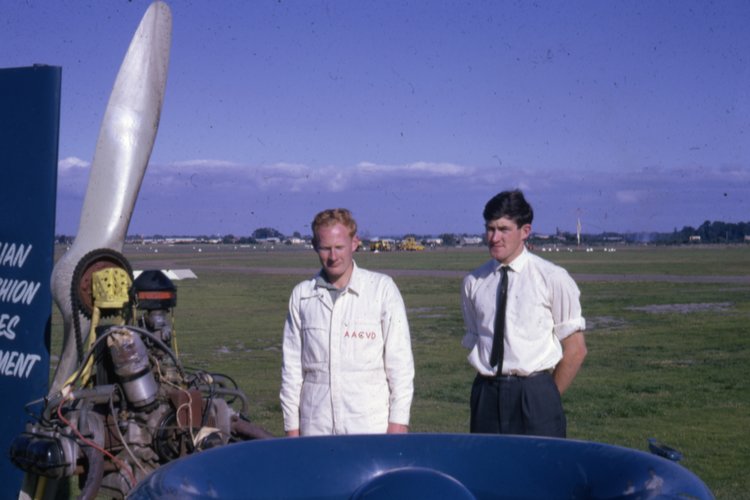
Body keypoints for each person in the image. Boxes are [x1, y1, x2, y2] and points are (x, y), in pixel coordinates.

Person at [461, 190, 587, 437]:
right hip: (486, 394)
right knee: (485, 471)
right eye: (490, 229)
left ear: (525, 231)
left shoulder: (552, 278)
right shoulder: (472, 282)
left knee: (540, 473)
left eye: (503, 229)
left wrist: (545, 398)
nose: (494, 237)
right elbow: (477, 339)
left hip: (535, 394)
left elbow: (576, 350)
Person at [280, 208, 415, 436]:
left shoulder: (382, 290)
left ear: (355, 243)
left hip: (370, 428)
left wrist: (398, 424)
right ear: (314, 246)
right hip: (316, 429)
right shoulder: (302, 295)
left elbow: (400, 367)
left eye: (339, 247)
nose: (333, 256)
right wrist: (292, 430)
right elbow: (291, 372)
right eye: (325, 248)